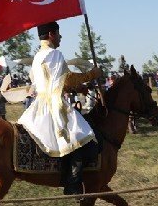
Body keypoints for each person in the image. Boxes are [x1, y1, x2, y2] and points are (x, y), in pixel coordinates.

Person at [17, 21, 102, 197]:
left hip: (40, 104)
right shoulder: (54, 54)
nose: (61, 37)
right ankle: (73, 183)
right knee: (84, 140)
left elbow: (54, 83)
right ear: (51, 34)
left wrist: (78, 89)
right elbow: (67, 79)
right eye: (58, 33)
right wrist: (92, 74)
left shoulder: (38, 56)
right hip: (53, 105)